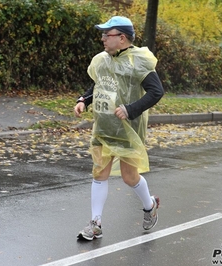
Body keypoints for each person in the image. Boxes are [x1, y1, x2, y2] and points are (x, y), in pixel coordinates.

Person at [74, 16, 164, 241]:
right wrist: (84, 100)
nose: (103, 38)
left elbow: (156, 92)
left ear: (122, 38)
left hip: (128, 129)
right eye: (103, 34)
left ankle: (149, 204)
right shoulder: (102, 60)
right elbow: (99, 84)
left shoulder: (139, 61)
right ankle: (95, 223)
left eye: (108, 34)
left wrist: (131, 109)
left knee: (129, 177)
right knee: (99, 173)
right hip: (103, 127)